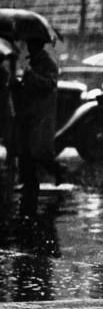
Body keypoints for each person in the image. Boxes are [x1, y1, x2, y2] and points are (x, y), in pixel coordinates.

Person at [13, 39, 64, 198]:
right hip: (27, 112)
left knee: (39, 152)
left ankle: (58, 170)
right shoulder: (32, 62)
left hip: (40, 114)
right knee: (24, 151)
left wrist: (32, 75)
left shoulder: (48, 63)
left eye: (31, 44)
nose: (28, 46)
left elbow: (49, 84)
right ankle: (29, 184)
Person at [0, 52, 15, 172]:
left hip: (4, 109)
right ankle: (10, 163)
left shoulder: (3, 72)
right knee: (8, 138)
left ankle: (10, 163)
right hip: (4, 109)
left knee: (8, 138)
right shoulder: (4, 71)